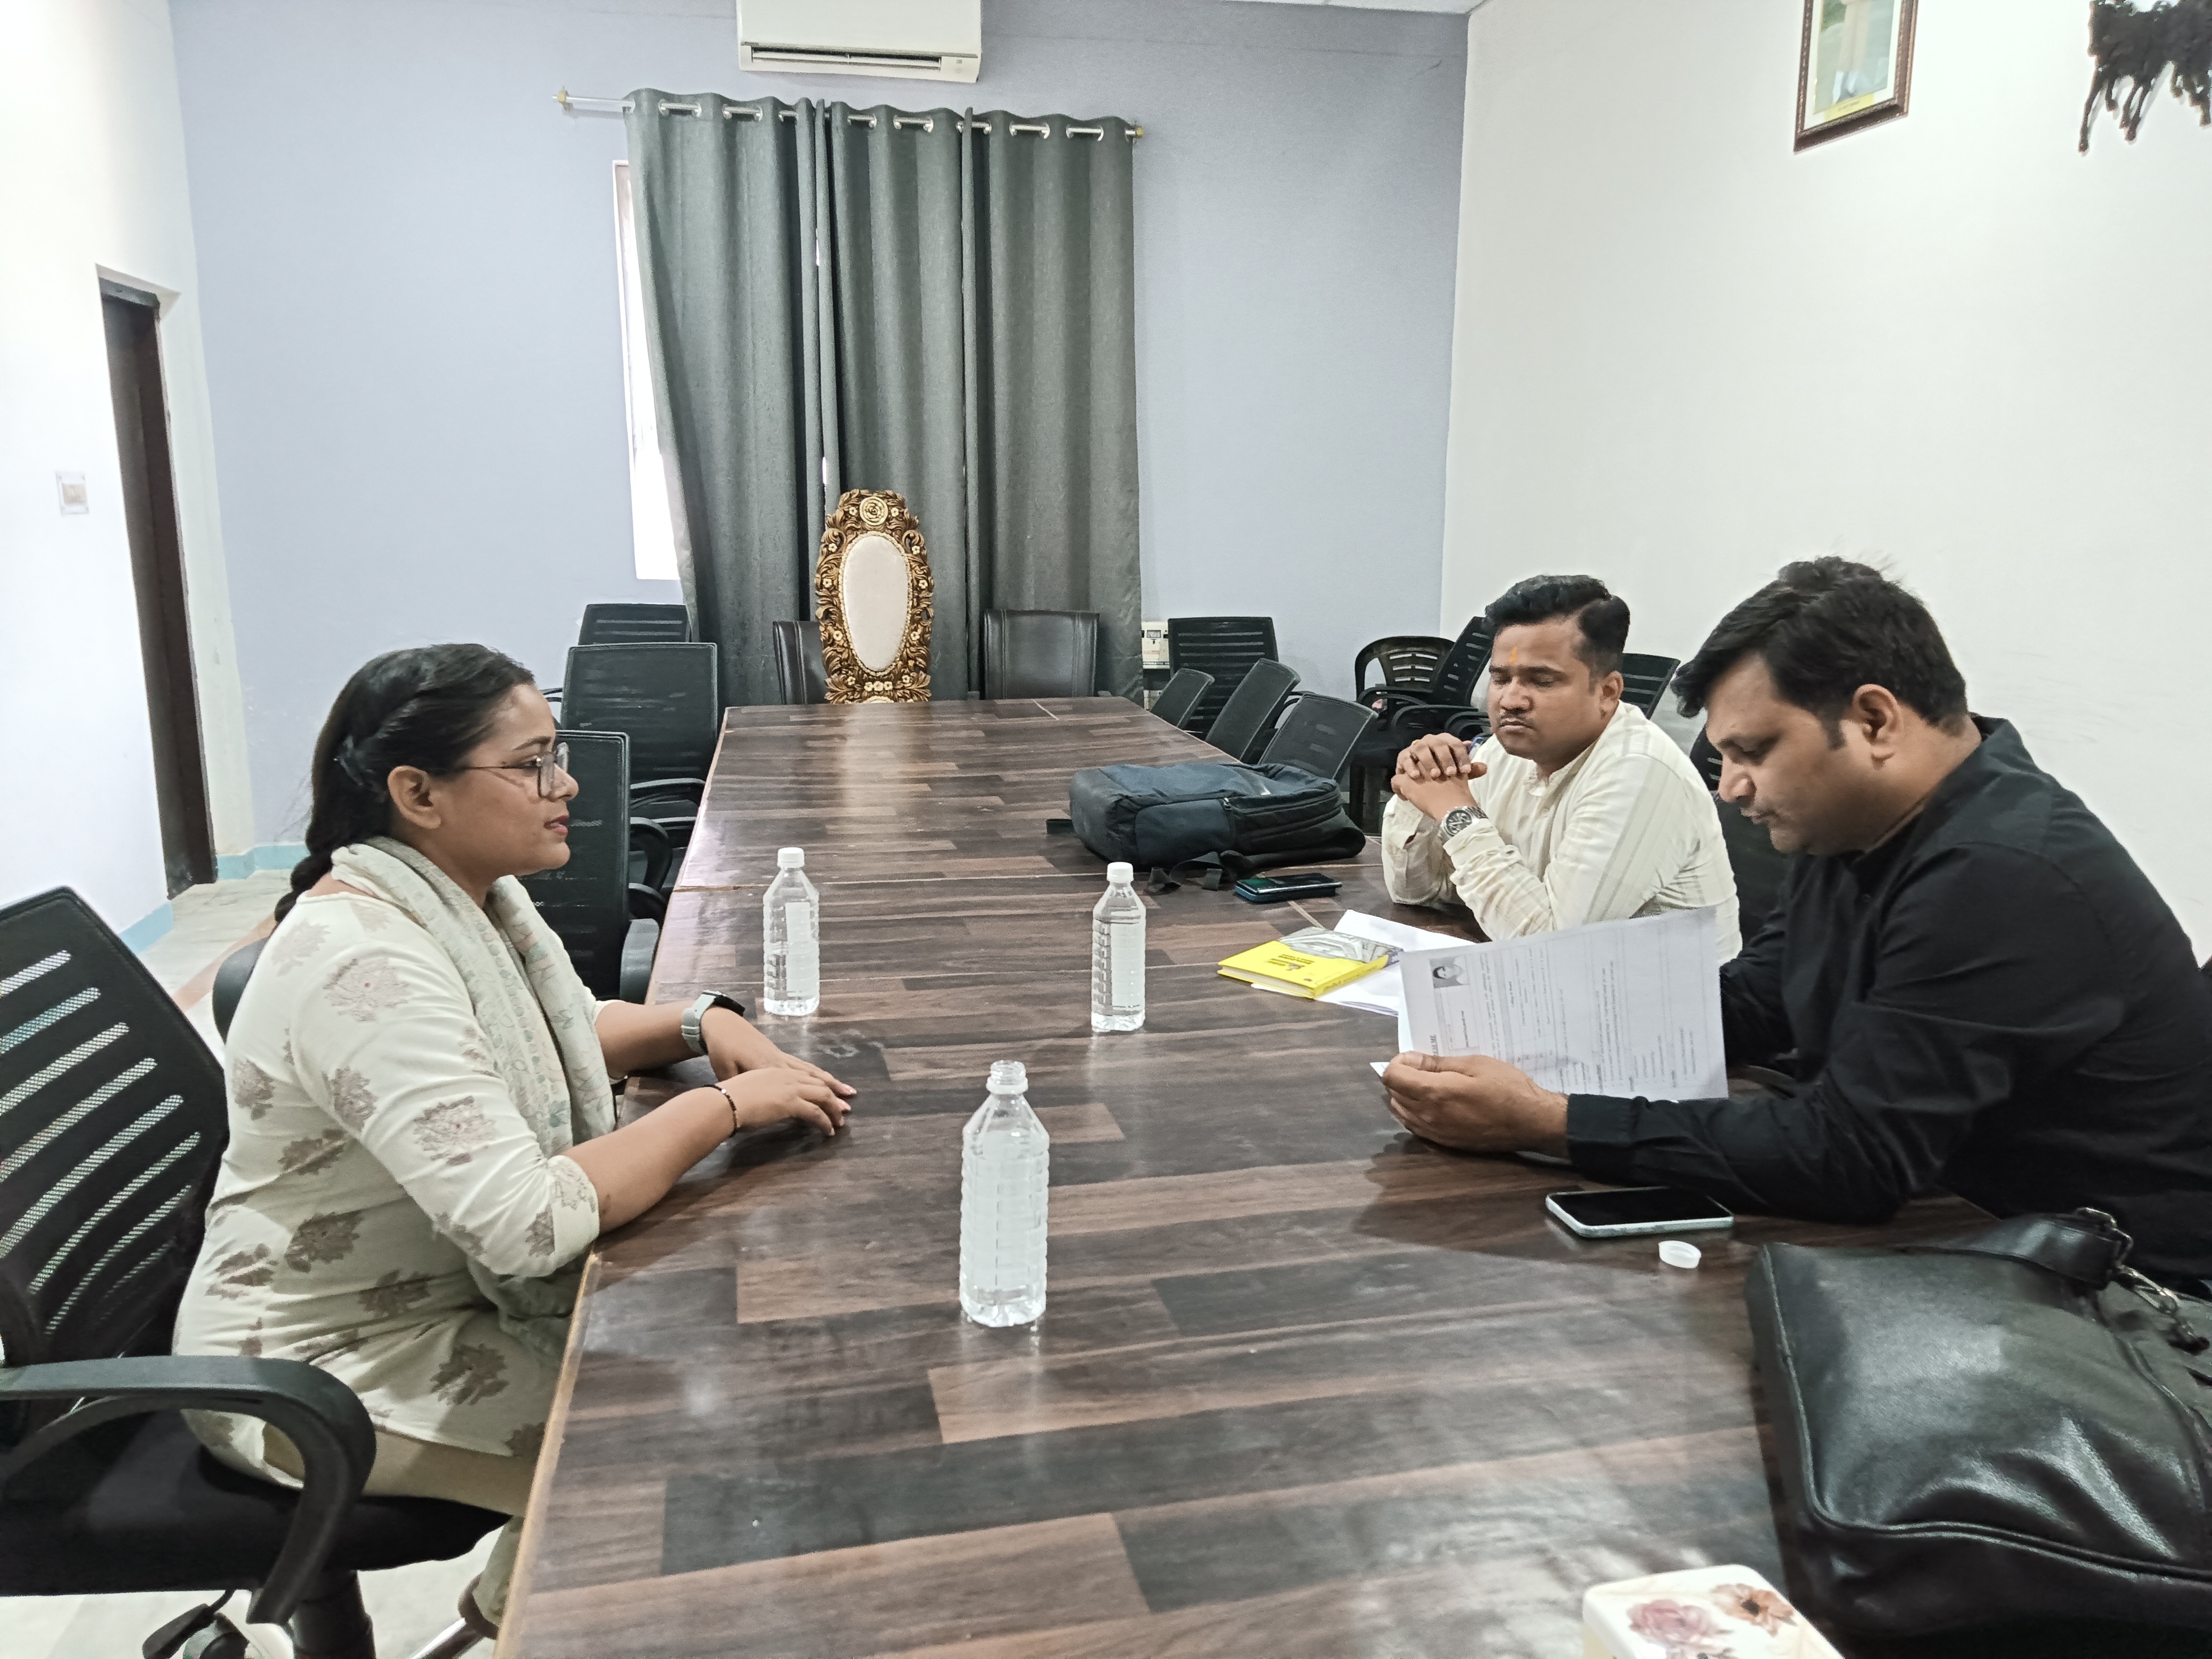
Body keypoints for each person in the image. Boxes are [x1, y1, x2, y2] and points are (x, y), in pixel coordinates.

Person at [173, 644, 855, 1635]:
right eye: (531, 762)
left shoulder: (455, 895)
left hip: (414, 1304)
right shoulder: (363, 965)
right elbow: (525, 1222)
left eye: (557, 754)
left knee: (718, 1372)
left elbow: (565, 1026)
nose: (565, 784)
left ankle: (511, 1606)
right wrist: (724, 1109)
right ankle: (532, 1618)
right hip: (312, 1368)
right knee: (692, 1448)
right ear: (419, 792)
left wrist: (704, 1023)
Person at [1380, 559, 2212, 1283]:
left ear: (1876, 721)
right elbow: (1753, 1000)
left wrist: (1550, 1121)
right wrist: (1529, 1045)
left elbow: (1850, 1159)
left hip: (2105, 1283)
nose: (1729, 787)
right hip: (1962, 1216)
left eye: (1752, 752)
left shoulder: (2003, 873)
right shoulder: (1864, 827)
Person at [1382, 574, 1739, 960]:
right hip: (1558, 993)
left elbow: (1553, 947)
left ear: (1607, 693)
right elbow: (1416, 891)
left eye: (1542, 681)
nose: (1511, 701)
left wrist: (1456, 814)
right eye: (1501, 679)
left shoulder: (1638, 771)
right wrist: (1424, 786)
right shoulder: (1505, 754)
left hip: (1668, 1011)